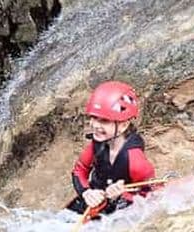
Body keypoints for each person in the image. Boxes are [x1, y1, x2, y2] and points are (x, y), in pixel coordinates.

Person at [67, 80, 157, 219]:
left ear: (123, 125)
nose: (95, 125)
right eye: (94, 118)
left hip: (120, 213)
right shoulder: (97, 144)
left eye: (104, 120)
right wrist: (86, 192)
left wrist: (122, 195)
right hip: (92, 203)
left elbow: (151, 196)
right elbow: (80, 170)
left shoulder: (136, 162)